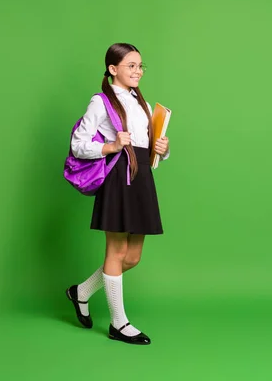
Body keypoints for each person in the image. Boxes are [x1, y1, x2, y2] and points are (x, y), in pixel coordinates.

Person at [66, 43, 170, 345]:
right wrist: (110, 146)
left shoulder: (144, 104)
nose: (137, 71)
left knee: (133, 257)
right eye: (131, 66)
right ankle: (118, 324)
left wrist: (162, 150)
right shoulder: (101, 102)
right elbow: (78, 144)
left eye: (140, 66)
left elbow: (149, 148)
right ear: (113, 69)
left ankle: (80, 292)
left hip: (141, 178)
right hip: (117, 178)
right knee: (116, 252)